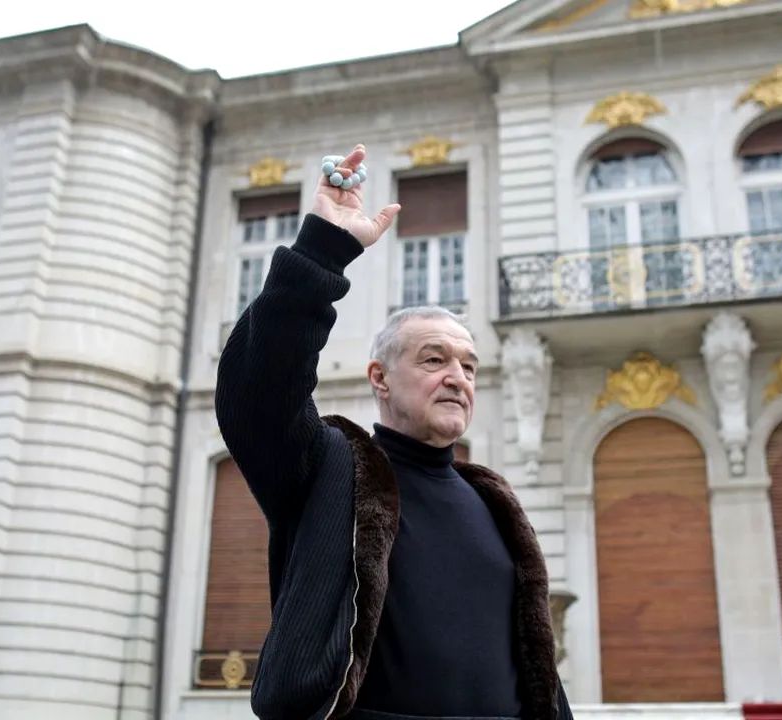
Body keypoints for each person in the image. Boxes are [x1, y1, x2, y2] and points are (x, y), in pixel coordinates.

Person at [215, 144, 572, 720]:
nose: (457, 378)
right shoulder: (332, 469)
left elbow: (537, 669)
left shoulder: (493, 500)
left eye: (469, 365)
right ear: (380, 377)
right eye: (434, 360)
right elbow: (256, 394)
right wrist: (321, 252)